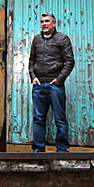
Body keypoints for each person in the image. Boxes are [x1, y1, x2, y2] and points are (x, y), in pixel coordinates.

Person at [29, 12, 74, 152]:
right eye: (42, 21)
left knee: (59, 118)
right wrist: (33, 76)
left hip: (54, 86)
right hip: (39, 85)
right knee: (38, 119)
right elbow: (31, 60)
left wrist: (60, 79)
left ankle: (61, 149)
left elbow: (69, 61)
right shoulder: (36, 40)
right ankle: (38, 150)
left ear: (54, 23)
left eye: (47, 21)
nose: (44, 24)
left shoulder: (62, 39)